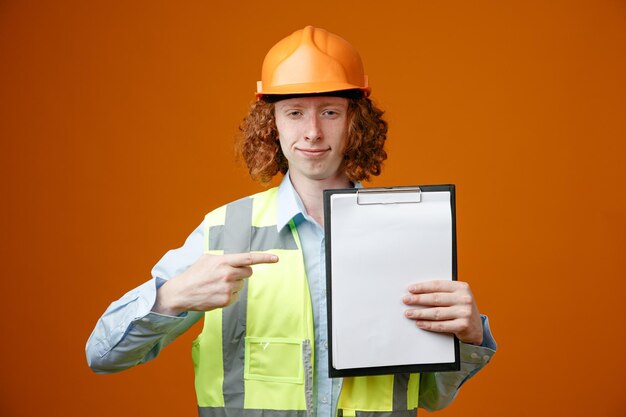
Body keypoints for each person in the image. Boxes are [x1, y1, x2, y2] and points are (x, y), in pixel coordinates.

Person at [86, 26, 496, 416]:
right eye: (295, 112)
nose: (313, 132)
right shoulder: (223, 230)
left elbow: (430, 396)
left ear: (357, 123)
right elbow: (102, 356)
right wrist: (171, 296)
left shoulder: (406, 230)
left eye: (331, 112)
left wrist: (468, 339)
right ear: (272, 125)